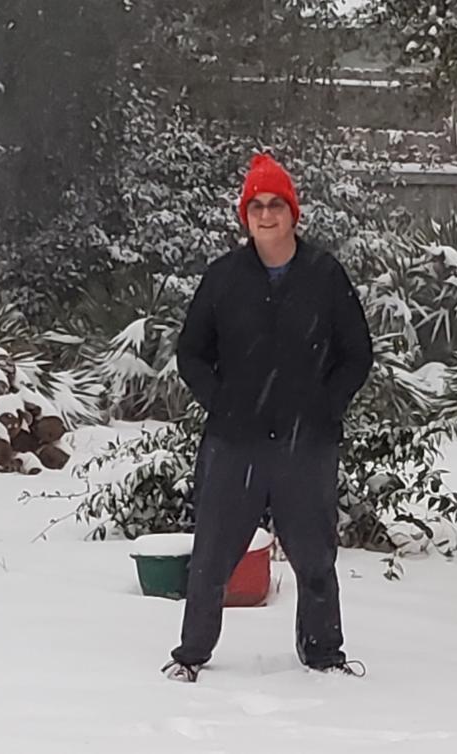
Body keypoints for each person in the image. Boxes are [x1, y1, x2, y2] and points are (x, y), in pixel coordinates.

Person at [161, 153, 373, 682]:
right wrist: (223, 403)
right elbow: (191, 353)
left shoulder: (324, 275)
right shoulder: (224, 277)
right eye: (256, 206)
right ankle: (191, 654)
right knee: (212, 555)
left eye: (276, 204)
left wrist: (326, 407)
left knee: (315, 558)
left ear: (293, 212)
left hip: (306, 445)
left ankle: (323, 654)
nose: (266, 214)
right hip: (235, 442)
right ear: (245, 216)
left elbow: (357, 353)